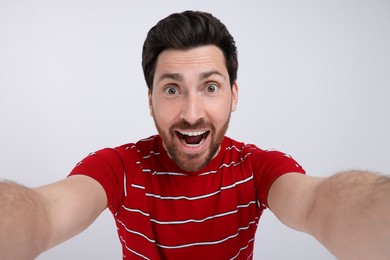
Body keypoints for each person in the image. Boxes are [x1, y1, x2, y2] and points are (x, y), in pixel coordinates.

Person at [0, 10, 389, 260]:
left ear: (233, 95)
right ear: (150, 101)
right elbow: (45, 215)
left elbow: (318, 204)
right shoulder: (118, 167)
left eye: (210, 87)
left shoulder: (257, 168)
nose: (191, 113)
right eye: (171, 89)